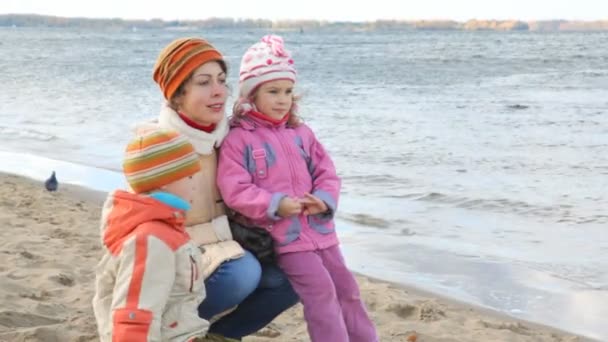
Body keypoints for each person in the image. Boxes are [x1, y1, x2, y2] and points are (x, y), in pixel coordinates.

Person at [217, 34, 378, 342]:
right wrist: (276, 203)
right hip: (285, 238)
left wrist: (323, 199)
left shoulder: (300, 133)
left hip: (321, 232)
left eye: (288, 91)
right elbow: (234, 189)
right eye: (273, 91)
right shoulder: (240, 138)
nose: (282, 99)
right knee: (321, 294)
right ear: (251, 95)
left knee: (348, 290)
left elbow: (326, 171)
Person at [139, 37, 298, 339]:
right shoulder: (157, 147)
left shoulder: (233, 138)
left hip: (223, 250)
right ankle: (172, 330)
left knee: (298, 272)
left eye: (222, 81)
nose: (218, 92)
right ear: (176, 94)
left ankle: (220, 336)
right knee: (242, 271)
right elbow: (146, 238)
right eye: (203, 82)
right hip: (174, 270)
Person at [92, 129, 235, 341]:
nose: (196, 184)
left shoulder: (167, 226)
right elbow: (134, 315)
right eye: (189, 176)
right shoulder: (152, 239)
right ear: (165, 182)